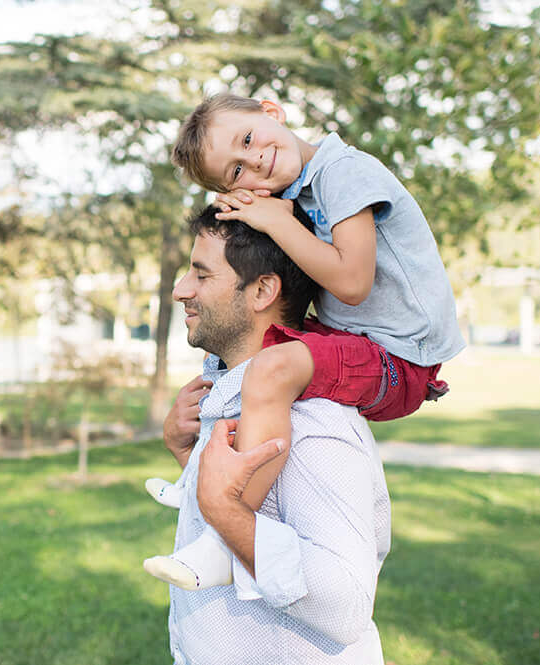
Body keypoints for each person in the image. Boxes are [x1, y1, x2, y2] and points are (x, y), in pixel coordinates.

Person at [143, 92, 464, 590]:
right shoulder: (299, 192)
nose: (254, 160)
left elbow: (353, 281)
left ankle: (223, 535)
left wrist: (273, 218)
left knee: (271, 369)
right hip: (359, 340)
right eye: (234, 173)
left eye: (247, 139)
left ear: (271, 112)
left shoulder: (343, 173)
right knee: (240, 346)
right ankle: (197, 477)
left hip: (400, 359)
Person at [153, 207, 391, 664]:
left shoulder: (314, 424)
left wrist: (225, 512)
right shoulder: (235, 399)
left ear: (262, 289)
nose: (181, 289)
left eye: (201, 275)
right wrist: (189, 459)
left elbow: (346, 607)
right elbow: (261, 509)